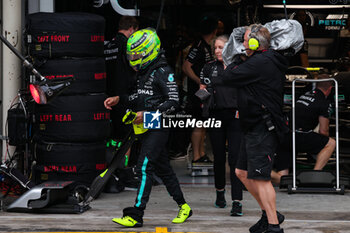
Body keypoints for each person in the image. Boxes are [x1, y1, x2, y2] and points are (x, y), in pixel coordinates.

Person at [105, 28, 192, 228]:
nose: (133, 58)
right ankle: (184, 206)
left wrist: (149, 114)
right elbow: (141, 97)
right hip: (146, 126)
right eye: (131, 55)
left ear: (148, 52)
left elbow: (174, 102)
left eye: (136, 54)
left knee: (143, 166)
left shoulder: (164, 72)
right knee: (165, 170)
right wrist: (120, 100)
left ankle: (136, 214)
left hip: (159, 126)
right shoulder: (145, 73)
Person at [221, 24, 288, 233]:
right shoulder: (260, 60)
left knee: (260, 177)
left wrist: (233, 61)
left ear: (255, 43)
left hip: (262, 127)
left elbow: (228, 76)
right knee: (242, 172)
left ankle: (274, 226)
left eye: (246, 40)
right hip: (252, 126)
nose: (242, 44)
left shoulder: (261, 62)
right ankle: (270, 214)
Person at [199, 35, 243, 215]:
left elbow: (247, 90)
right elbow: (201, 90)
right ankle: (219, 193)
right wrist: (204, 100)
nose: (217, 50)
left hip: (236, 116)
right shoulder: (208, 67)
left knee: (235, 159)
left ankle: (237, 201)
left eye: (221, 47)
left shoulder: (240, 66)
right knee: (218, 157)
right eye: (215, 47)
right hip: (215, 116)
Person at [272, 74, 336, 184]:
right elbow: (323, 131)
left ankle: (256, 169)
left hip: (284, 136)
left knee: (282, 178)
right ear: (330, 88)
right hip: (298, 136)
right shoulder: (324, 103)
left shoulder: (303, 96)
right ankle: (315, 176)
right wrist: (320, 148)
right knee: (331, 143)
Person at [182, 16, 218, 164]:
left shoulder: (206, 45)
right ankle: (196, 156)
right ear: (214, 30)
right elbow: (186, 66)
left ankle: (201, 154)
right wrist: (199, 81)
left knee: (204, 122)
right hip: (197, 92)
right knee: (198, 122)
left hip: (204, 92)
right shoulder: (198, 46)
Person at [104, 16, 139, 160]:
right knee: (127, 137)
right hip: (125, 97)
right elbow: (137, 66)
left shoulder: (107, 46)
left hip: (108, 97)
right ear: (131, 29)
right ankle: (123, 170)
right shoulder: (128, 45)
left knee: (113, 136)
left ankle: (112, 170)